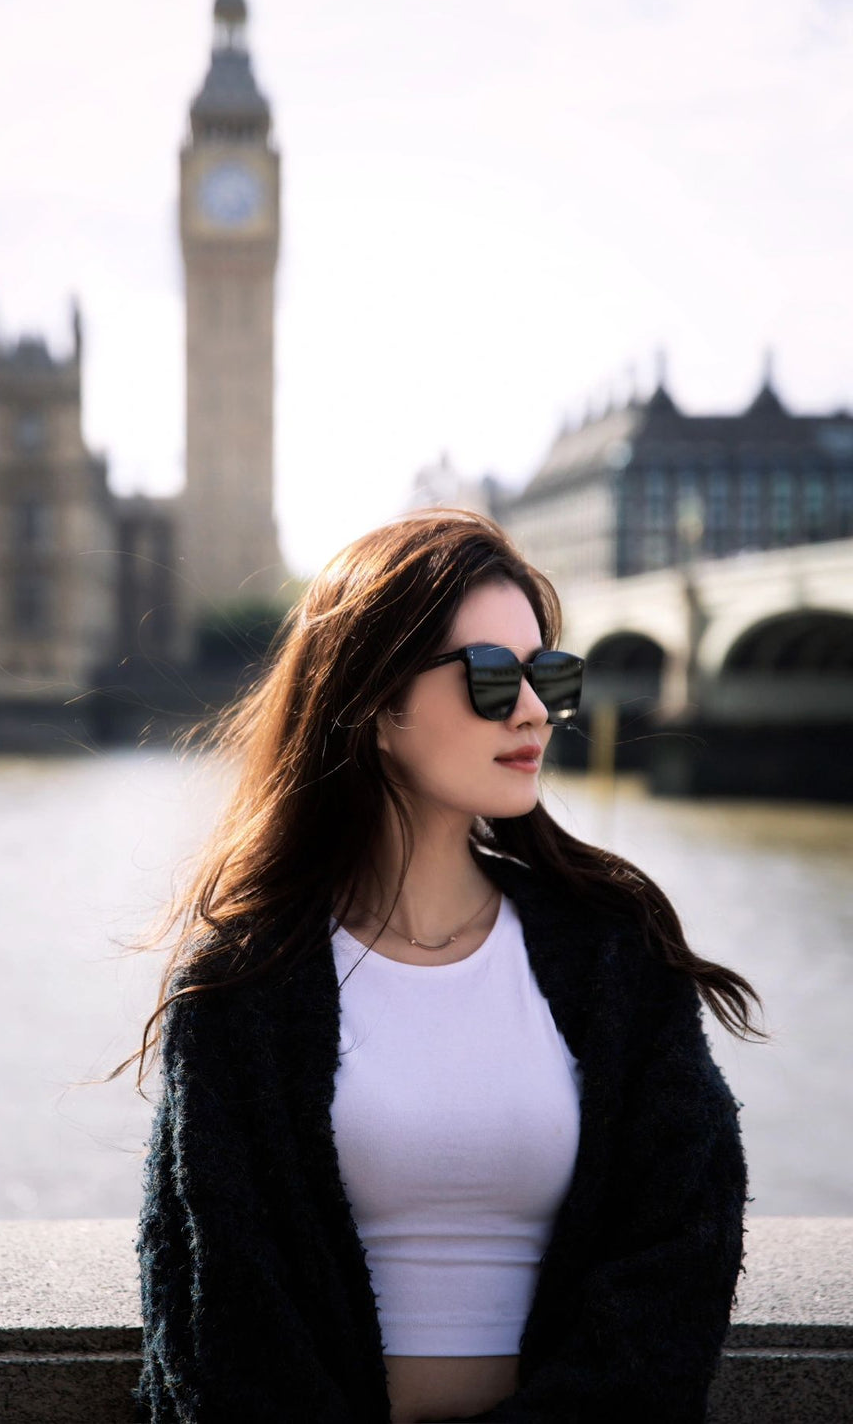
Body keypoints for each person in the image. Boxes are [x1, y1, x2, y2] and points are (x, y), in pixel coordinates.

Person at [130, 509, 762, 1424]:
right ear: (378, 704)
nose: (538, 709)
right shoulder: (245, 987)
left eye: (550, 675)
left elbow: (680, 1251)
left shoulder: (613, 953)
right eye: (495, 678)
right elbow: (217, 1307)